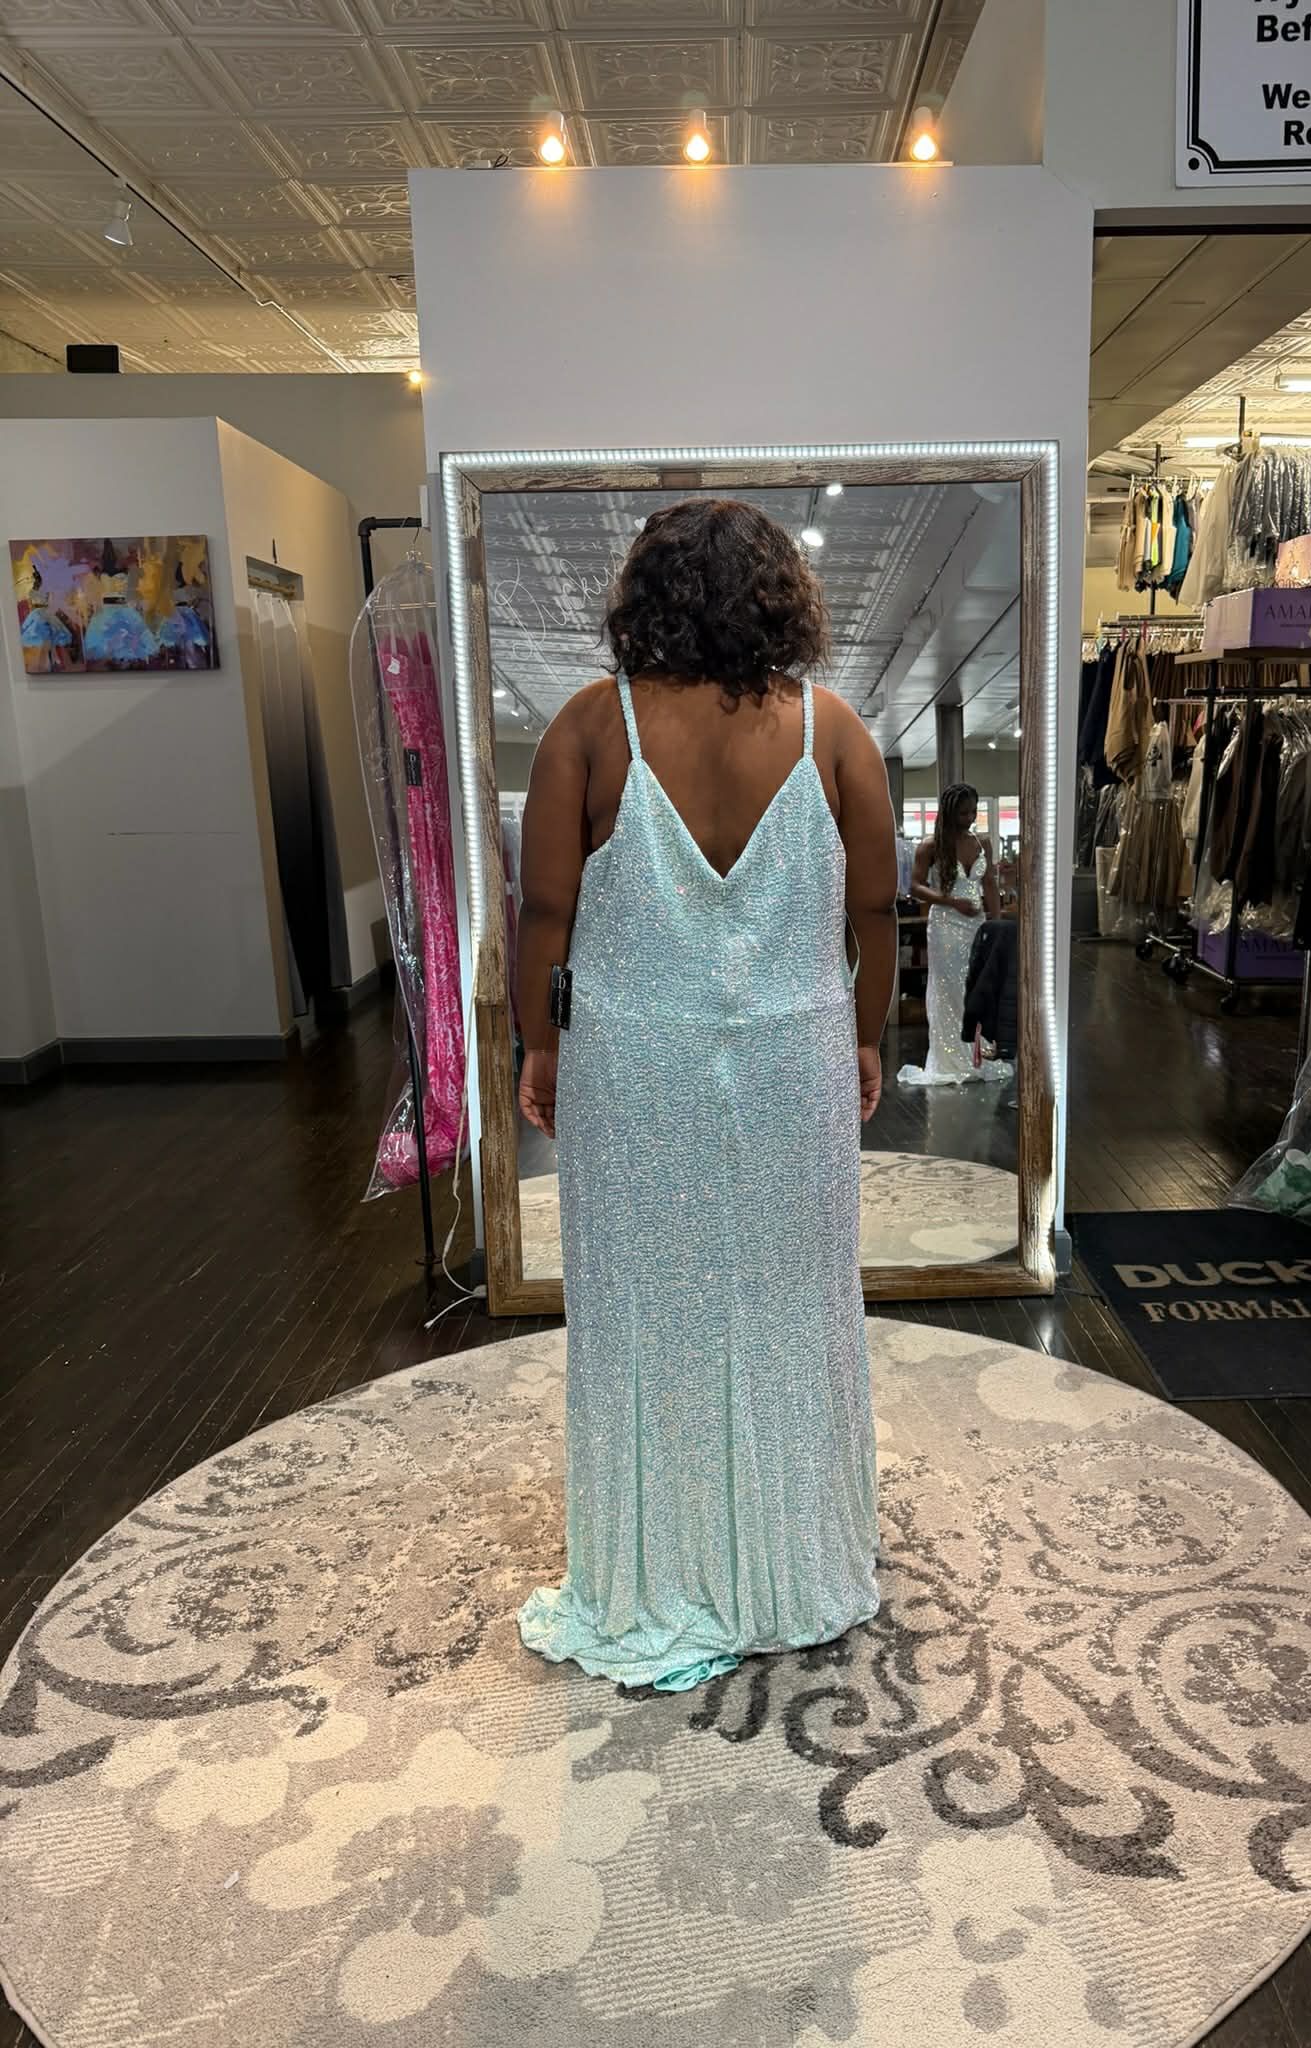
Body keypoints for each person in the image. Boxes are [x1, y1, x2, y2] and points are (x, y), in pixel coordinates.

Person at [513, 497, 898, 1693]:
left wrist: (539, 1044)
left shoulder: (590, 726)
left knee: (646, 1311)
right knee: (792, 1309)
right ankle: (795, 1559)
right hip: (793, 1059)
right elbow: (877, 912)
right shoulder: (837, 732)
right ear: (781, 597)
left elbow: (544, 919)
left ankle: (654, 1565)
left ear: (646, 597)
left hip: (635, 1066)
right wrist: (871, 1034)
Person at [898, 781, 1012, 1086]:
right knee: (949, 989)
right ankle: (950, 1057)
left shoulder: (981, 843)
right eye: (964, 813)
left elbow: (989, 883)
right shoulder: (930, 846)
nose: (970, 818)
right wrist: (950, 901)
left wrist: (996, 923)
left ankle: (974, 1053)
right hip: (946, 926)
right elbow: (915, 886)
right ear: (950, 813)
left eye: (974, 811)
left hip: (976, 926)